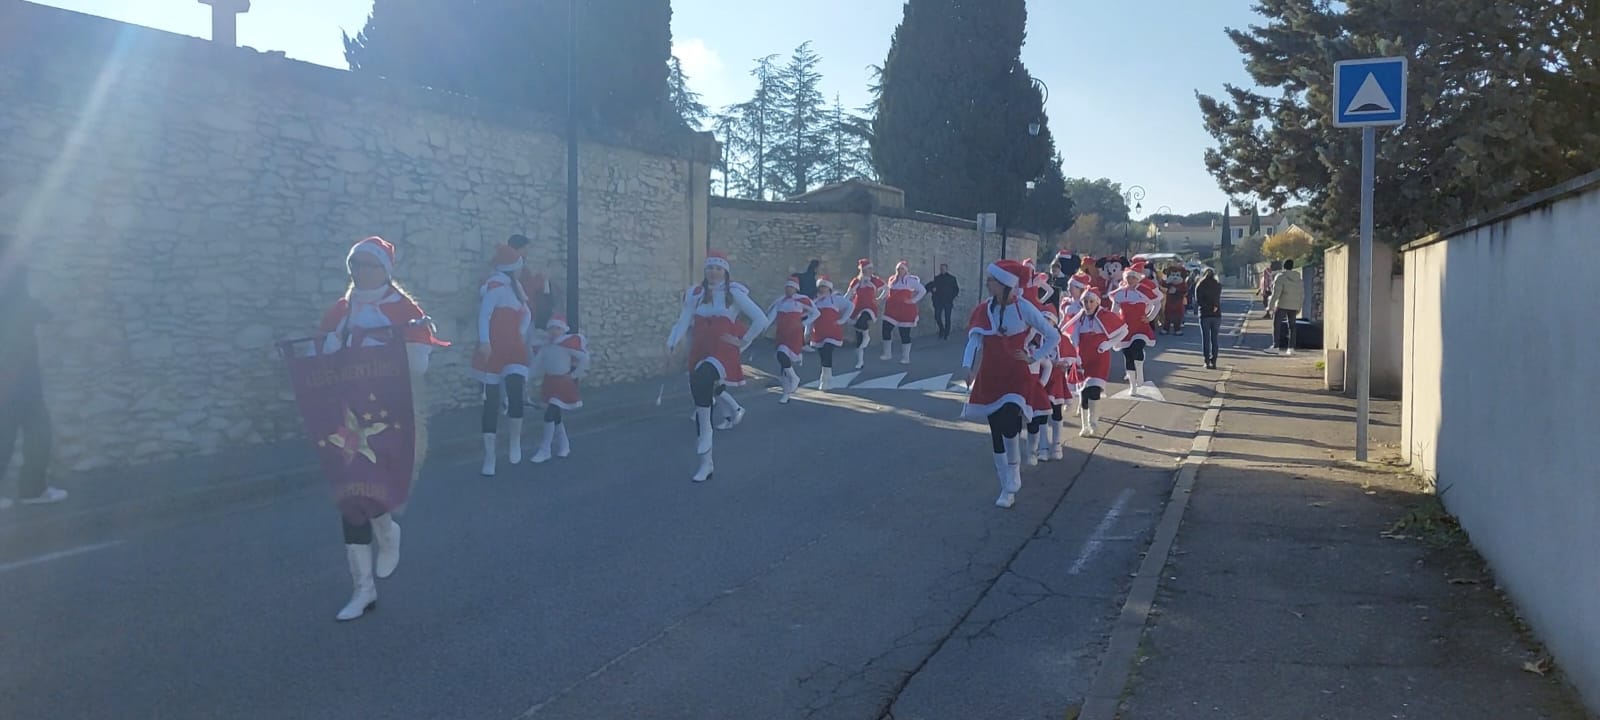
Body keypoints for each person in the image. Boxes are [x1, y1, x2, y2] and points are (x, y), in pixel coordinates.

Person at [316, 236, 448, 621]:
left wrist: (375, 348)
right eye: (354, 265)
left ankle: (388, 532)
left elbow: (419, 365)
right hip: (347, 415)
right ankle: (363, 590)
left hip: (389, 416)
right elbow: (320, 357)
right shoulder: (341, 309)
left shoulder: (403, 310)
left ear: (384, 270)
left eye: (367, 265)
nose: (360, 272)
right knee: (352, 498)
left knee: (377, 494)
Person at [960, 260, 1060, 510]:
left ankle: (1013, 475)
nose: (987, 284)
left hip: (1016, 374)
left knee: (1008, 420)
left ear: (1005, 284)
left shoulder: (1024, 308)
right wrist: (968, 367)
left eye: (992, 281)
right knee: (995, 426)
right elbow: (974, 340)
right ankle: (1005, 482)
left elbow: (1053, 335)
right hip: (990, 374)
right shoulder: (984, 309)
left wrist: (1033, 357)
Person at [667, 251, 770, 482]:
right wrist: (672, 341)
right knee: (698, 384)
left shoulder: (733, 293)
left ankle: (707, 434)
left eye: (718, 268)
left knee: (704, 378)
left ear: (725, 272)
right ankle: (707, 458)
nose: (713, 272)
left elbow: (761, 319)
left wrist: (743, 342)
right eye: (710, 268)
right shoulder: (696, 294)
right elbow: (683, 320)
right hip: (700, 349)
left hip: (722, 351)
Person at [0, 235, 67, 509]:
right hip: (15, 369)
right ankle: (32, 489)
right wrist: (42, 312)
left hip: (18, 368)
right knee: (30, 428)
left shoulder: (14, 277)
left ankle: (32, 489)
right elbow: (16, 312)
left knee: (24, 428)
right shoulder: (11, 278)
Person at [472, 245, 533, 476]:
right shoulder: (495, 287)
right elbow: (484, 314)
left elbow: (527, 313)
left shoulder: (517, 289)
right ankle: (490, 456)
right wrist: (485, 342)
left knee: (516, 393)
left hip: (514, 350)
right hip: (492, 350)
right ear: (511, 268)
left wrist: (521, 330)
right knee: (491, 402)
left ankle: (514, 442)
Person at [1064, 288, 1128, 437]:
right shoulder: (1080, 318)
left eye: (1091, 301)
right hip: (1083, 359)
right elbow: (1073, 338)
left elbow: (1123, 331)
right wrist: (1075, 354)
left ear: (1097, 302)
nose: (1088, 304)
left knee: (1093, 390)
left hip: (1099, 358)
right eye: (1085, 301)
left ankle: (1093, 422)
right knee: (1083, 392)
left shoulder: (1105, 316)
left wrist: (1108, 344)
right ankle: (1085, 426)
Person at [528, 313, 588, 463]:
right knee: (555, 416)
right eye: (551, 328)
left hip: (563, 383)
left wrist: (574, 375)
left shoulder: (567, 344)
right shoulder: (545, 347)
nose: (554, 331)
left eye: (557, 328)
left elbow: (584, 358)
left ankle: (545, 449)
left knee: (550, 414)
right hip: (549, 383)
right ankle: (564, 445)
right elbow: (536, 364)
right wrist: (526, 377)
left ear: (563, 330)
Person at [1107, 261, 1163, 397]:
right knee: (1127, 354)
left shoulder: (1143, 292)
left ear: (1138, 278)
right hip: (1125, 328)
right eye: (1128, 277)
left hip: (1140, 327)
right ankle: (1133, 385)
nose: (1130, 280)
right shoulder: (1120, 294)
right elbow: (1114, 312)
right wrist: (1113, 326)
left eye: (1133, 277)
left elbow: (1157, 303)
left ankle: (1140, 374)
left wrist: (1150, 318)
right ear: (1125, 279)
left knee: (1137, 348)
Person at [767, 276, 821, 404]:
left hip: (794, 334)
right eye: (787, 287)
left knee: (783, 357)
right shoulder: (780, 301)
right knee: (783, 363)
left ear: (796, 289)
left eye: (791, 287)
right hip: (782, 333)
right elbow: (771, 317)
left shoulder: (802, 300)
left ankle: (793, 379)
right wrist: (762, 327)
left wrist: (804, 323)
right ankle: (786, 392)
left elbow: (816, 313)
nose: (788, 289)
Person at [877, 260, 927, 364]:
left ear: (906, 270)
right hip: (891, 309)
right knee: (886, 329)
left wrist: (912, 300)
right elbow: (887, 291)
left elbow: (922, 291)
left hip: (905, 309)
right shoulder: (892, 279)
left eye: (902, 269)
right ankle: (887, 353)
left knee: (904, 333)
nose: (900, 271)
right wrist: (880, 298)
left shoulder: (910, 281)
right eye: (899, 269)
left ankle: (905, 357)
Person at [809, 277, 853, 391]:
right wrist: (806, 332)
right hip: (818, 331)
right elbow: (810, 317)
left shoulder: (836, 299)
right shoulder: (814, 301)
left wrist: (842, 320)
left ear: (829, 288)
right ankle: (827, 374)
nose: (822, 289)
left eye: (824, 287)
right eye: (820, 287)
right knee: (822, 354)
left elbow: (850, 306)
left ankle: (824, 379)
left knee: (827, 350)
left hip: (832, 331)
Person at [845, 259, 884, 369]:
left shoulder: (874, 280)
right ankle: (860, 361)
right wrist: (842, 304)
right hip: (857, 306)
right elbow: (849, 294)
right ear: (863, 270)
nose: (870, 271)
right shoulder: (857, 281)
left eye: (871, 269)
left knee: (863, 319)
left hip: (870, 306)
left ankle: (867, 335)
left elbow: (886, 288)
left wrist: (879, 298)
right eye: (868, 269)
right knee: (858, 333)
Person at [1268, 258, 1305, 354]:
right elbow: (1301, 295)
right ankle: (1291, 348)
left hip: (1282, 305)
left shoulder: (1280, 277)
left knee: (1277, 325)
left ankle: (1276, 346)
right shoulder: (1299, 279)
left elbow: (1276, 294)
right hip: (1294, 306)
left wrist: (1270, 306)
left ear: (1284, 266)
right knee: (1292, 327)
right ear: (1292, 266)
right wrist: (1299, 307)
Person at [1196, 268, 1223, 369]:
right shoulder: (1218, 285)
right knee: (1214, 339)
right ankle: (1214, 361)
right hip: (1216, 315)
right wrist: (1214, 307)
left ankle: (1206, 361)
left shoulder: (1200, 285)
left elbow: (1198, 301)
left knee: (1206, 339)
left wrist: (1206, 307)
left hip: (1204, 314)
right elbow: (1217, 299)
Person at [926, 263, 960, 340]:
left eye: (943, 268)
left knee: (947, 318)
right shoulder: (937, 278)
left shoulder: (952, 278)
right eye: (941, 269)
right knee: (937, 316)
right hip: (939, 302)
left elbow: (956, 290)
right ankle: (942, 329)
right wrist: (933, 289)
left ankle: (946, 334)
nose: (942, 270)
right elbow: (931, 287)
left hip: (948, 301)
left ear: (946, 269)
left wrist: (951, 297)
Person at [1160, 266, 1189, 335]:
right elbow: (1163, 284)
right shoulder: (1168, 283)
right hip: (1169, 303)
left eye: (1177, 275)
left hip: (1178, 303)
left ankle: (1177, 329)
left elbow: (1185, 291)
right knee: (1167, 316)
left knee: (1177, 317)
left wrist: (1177, 291)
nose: (1175, 277)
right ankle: (1166, 328)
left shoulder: (1182, 285)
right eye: (1173, 275)